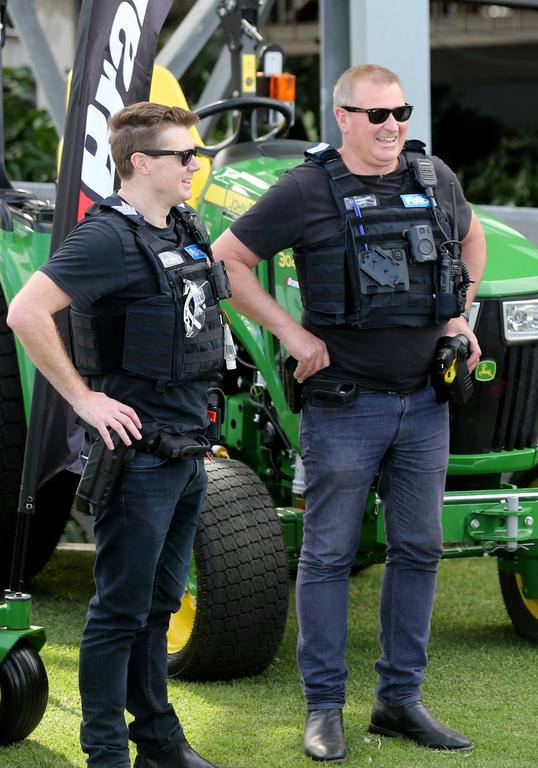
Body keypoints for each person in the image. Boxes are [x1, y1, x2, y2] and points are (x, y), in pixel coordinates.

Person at [211, 64, 483, 762]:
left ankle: (399, 701)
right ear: (343, 117)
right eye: (376, 115)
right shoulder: (306, 187)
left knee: (419, 549)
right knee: (328, 555)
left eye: (401, 112)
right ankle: (324, 709)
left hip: (426, 403)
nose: (392, 126)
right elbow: (227, 260)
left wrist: (460, 312)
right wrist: (293, 335)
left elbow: (471, 236)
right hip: (344, 407)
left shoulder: (435, 177)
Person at [7, 103, 237, 768]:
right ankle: (105, 753)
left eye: (194, 154)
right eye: (182, 156)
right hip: (140, 460)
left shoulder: (184, 224)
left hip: (188, 448)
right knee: (119, 612)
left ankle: (159, 742)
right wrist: (84, 399)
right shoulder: (106, 237)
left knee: (159, 605)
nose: (195, 165)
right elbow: (27, 311)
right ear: (140, 162)